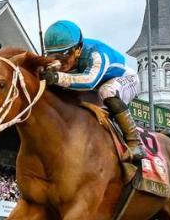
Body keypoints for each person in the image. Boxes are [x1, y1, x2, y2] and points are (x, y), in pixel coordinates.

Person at [40, 20, 143, 161]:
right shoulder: (67, 56)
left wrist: (57, 77)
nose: (59, 61)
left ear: (78, 49)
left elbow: (89, 81)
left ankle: (134, 142)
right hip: (95, 87)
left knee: (107, 91)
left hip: (124, 79)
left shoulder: (96, 54)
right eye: (53, 56)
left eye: (64, 55)